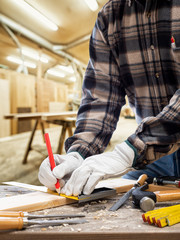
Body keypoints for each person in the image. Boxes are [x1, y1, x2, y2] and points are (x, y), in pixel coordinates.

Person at [38, 0, 180, 197]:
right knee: (128, 202)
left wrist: (128, 152)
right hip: (153, 157)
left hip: (145, 146)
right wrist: (78, 154)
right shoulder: (110, 17)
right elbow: (100, 98)